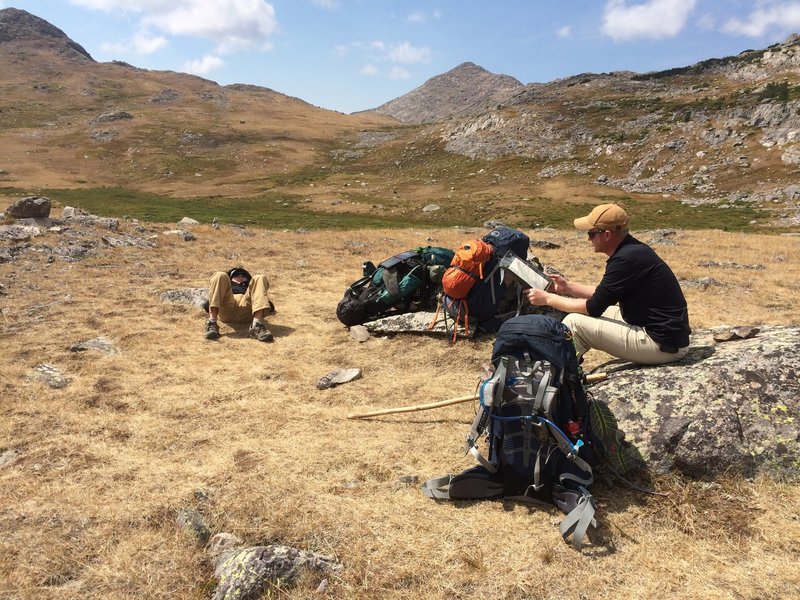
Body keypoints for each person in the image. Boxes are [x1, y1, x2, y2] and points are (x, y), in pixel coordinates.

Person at [525, 203, 690, 365]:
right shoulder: (632, 250)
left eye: (591, 234)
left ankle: (557, 378)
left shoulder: (625, 259)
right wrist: (566, 287)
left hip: (661, 344)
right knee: (600, 313)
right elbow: (604, 295)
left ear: (607, 235)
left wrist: (547, 299)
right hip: (664, 335)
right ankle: (569, 367)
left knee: (574, 323)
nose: (589, 239)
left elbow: (593, 307)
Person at [205, 266, 275, 342]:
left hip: (248, 310)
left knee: (260, 277)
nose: (240, 276)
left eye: (244, 275)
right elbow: (207, 304)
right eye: (236, 274)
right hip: (228, 307)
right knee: (220, 275)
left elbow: (269, 305)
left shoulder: (251, 288)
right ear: (230, 278)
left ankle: (257, 326)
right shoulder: (226, 286)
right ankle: (212, 324)